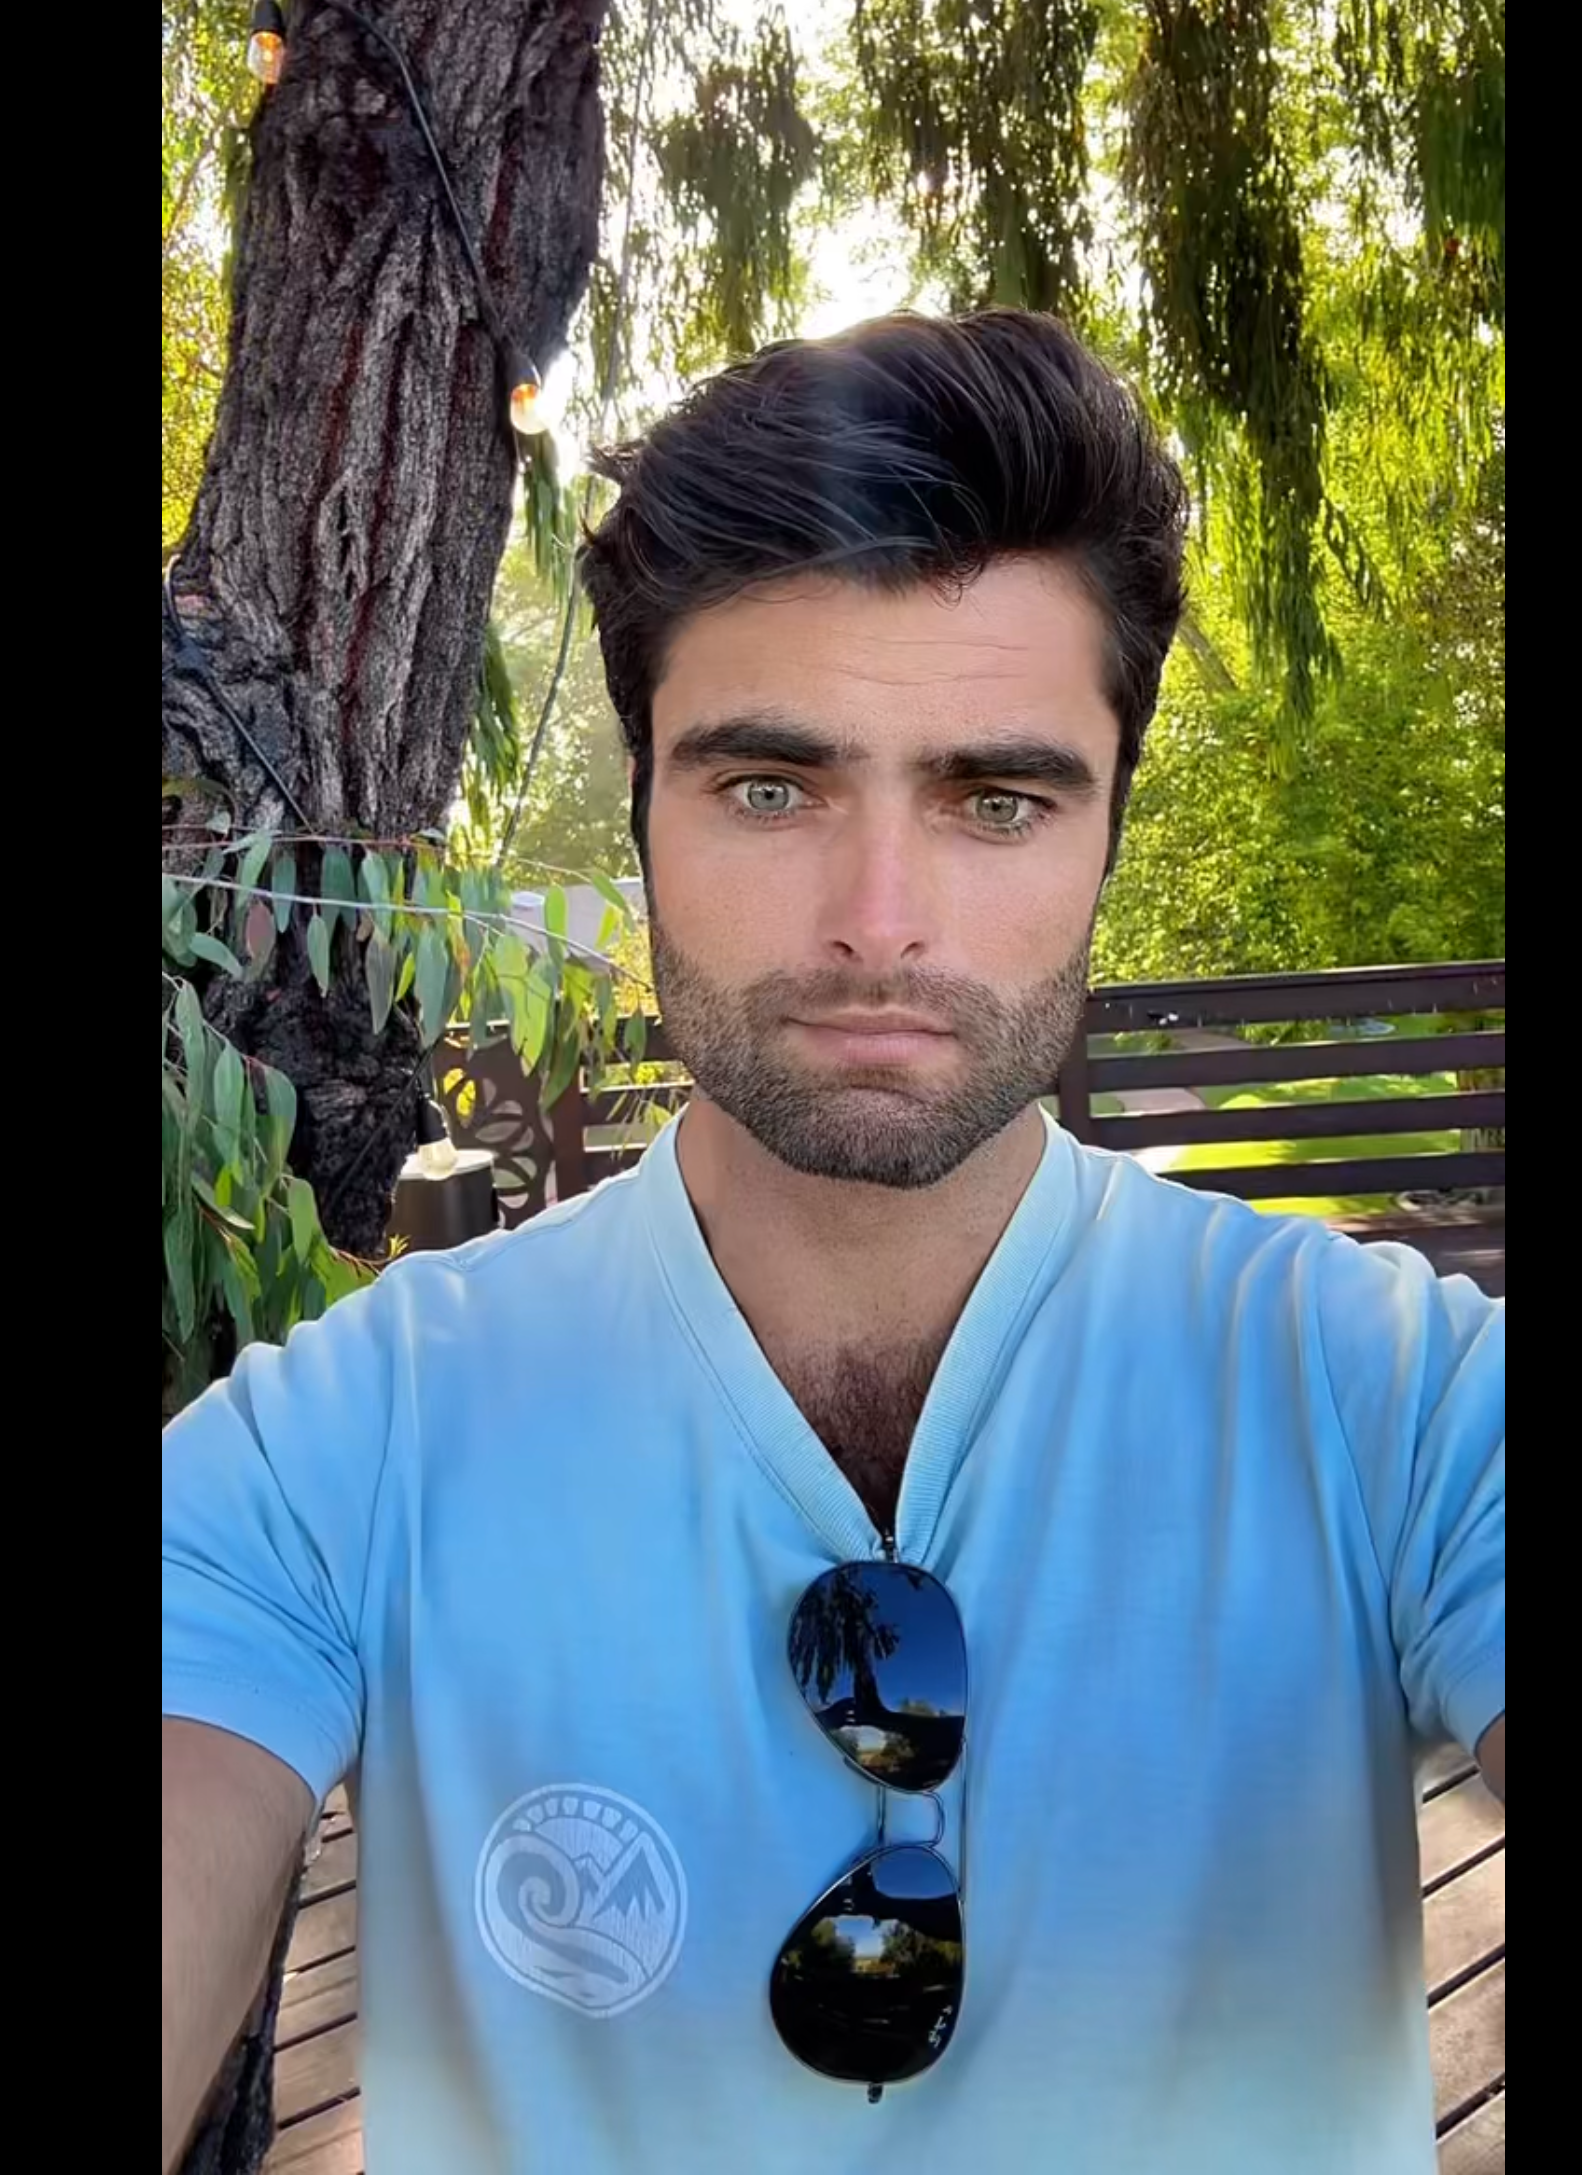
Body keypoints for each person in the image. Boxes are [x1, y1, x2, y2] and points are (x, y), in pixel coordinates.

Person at [162, 310, 1504, 2175]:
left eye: (996, 799)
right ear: (644, 805)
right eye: (771, 788)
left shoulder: (1396, 1404)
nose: (880, 920)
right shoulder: (339, 1448)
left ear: (1107, 835)